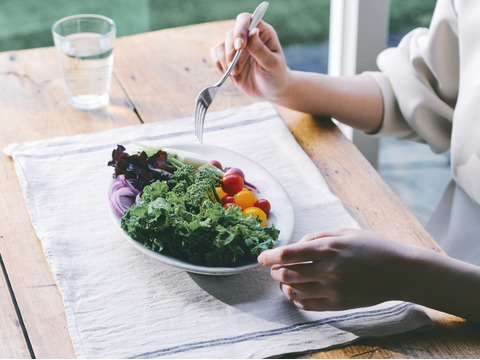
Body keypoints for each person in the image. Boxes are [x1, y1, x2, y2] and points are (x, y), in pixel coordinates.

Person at [210, 0, 480, 322]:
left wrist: (410, 277)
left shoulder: (412, 276)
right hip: (442, 255)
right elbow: (423, 90)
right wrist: (286, 86)